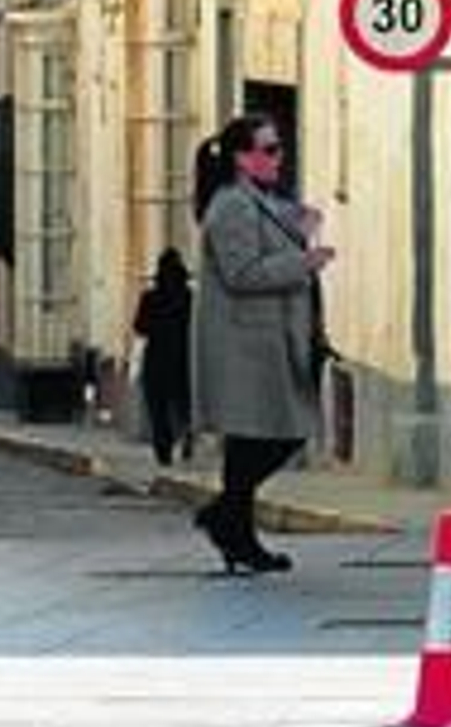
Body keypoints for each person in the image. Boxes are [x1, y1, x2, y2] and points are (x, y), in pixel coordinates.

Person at [190, 114, 335, 575]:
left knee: (259, 439)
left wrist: (300, 222)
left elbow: (271, 227)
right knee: (272, 435)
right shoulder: (230, 205)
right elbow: (243, 272)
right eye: (268, 150)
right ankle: (230, 520)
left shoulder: (255, 201)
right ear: (242, 157)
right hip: (246, 345)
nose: (279, 157)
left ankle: (232, 524)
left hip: (269, 341)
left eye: (279, 148)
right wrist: (304, 261)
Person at [132, 247, 194, 467]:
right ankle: (187, 433)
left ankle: (163, 449)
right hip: (184, 358)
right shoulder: (189, 298)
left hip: (157, 358)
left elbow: (139, 327)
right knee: (184, 403)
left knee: (158, 408)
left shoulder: (150, 297)